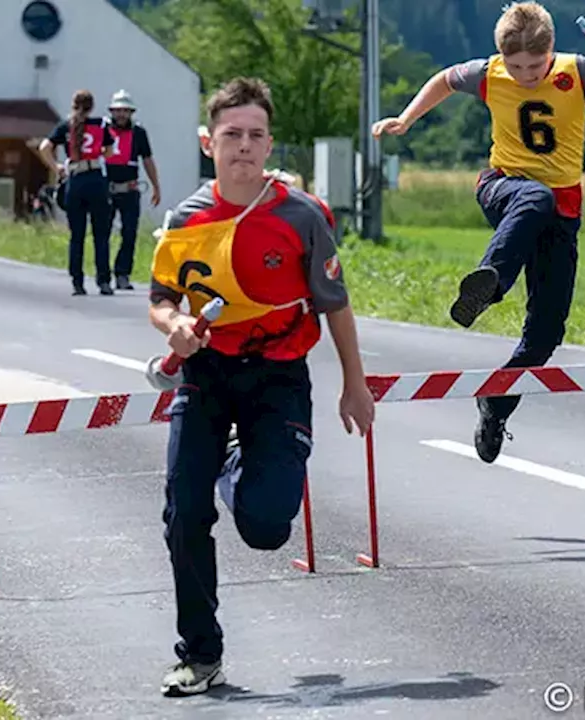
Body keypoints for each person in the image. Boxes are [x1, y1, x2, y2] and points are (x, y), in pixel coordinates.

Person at [148, 76, 375, 697]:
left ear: (269, 144)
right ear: (208, 142)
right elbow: (162, 298)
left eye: (254, 136)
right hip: (206, 376)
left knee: (267, 527)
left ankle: (235, 463)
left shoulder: (303, 215)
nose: (243, 147)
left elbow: (336, 304)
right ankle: (200, 654)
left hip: (278, 377)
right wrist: (174, 327)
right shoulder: (185, 219)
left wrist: (355, 385)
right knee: (182, 512)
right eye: (231, 135)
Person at [371, 1, 585, 463]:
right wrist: (406, 119)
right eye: (517, 66)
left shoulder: (577, 71)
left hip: (562, 212)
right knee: (534, 197)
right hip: (503, 188)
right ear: (501, 56)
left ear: (551, 52)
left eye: (535, 66)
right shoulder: (488, 73)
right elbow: (444, 80)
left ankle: (496, 403)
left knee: (547, 331)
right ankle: (490, 283)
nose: (526, 74)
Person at [39, 89, 115, 296]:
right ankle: (103, 281)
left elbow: (44, 147)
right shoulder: (101, 125)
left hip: (75, 180)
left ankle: (77, 281)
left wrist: (56, 167)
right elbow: (109, 151)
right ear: (91, 106)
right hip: (96, 179)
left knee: (77, 235)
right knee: (101, 234)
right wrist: (97, 152)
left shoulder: (66, 126)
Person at [104, 89, 162, 290]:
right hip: (105, 189)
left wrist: (156, 185)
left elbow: (147, 159)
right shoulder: (103, 130)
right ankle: (103, 275)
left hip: (129, 189)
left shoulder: (138, 132)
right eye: (118, 110)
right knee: (102, 232)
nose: (121, 115)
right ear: (112, 111)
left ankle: (122, 274)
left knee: (129, 233)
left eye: (125, 111)